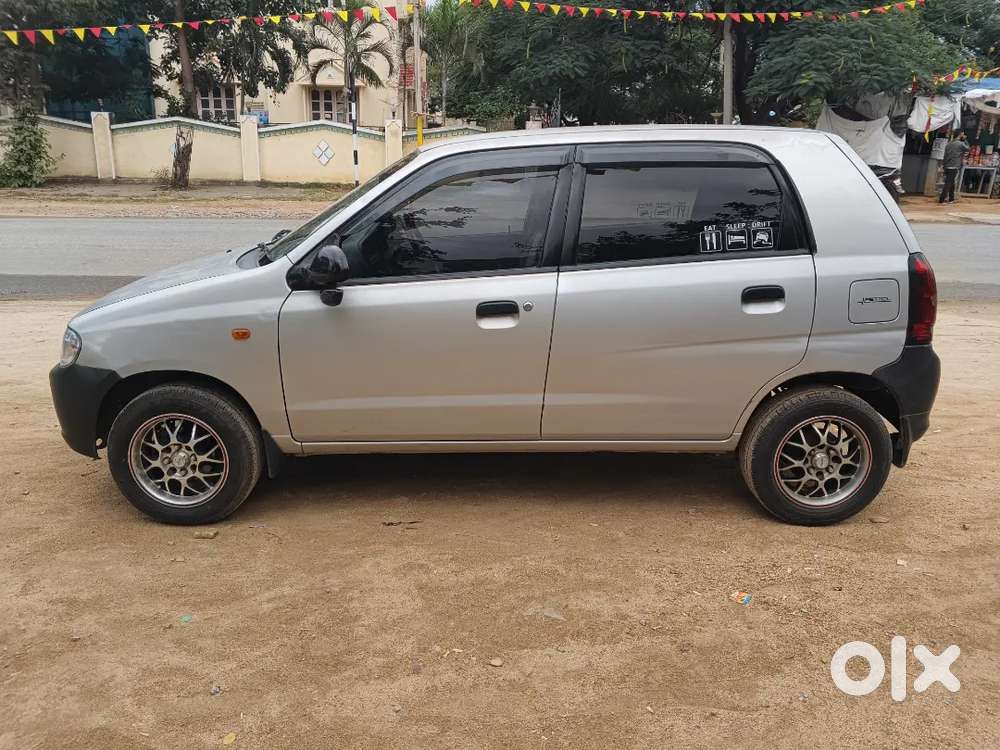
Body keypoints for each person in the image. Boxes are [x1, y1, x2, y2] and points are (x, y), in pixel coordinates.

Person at [939, 132, 969, 204]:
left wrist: (944, 165)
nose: (964, 135)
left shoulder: (949, 144)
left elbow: (945, 156)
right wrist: (965, 140)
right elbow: (968, 148)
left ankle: (951, 199)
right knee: (949, 183)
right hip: (954, 165)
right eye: (962, 134)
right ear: (959, 135)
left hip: (947, 165)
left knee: (951, 182)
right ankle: (942, 199)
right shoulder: (960, 144)